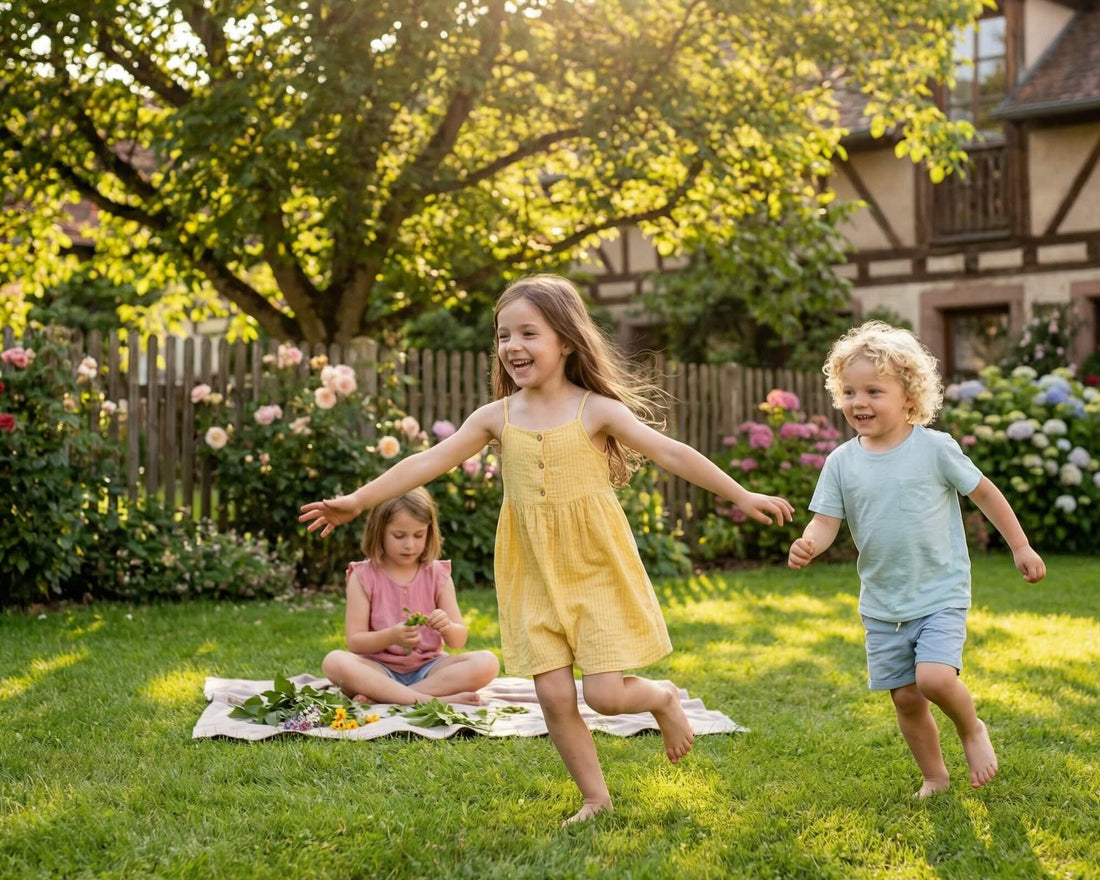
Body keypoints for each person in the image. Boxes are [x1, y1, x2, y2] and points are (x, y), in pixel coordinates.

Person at [301, 274, 793, 824]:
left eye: (528, 333)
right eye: (503, 335)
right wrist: (358, 500)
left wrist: (741, 493)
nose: (512, 346)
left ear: (565, 339)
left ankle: (661, 699)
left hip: (595, 567)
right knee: (555, 697)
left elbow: (671, 452)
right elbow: (426, 462)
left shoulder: (596, 410)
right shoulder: (497, 417)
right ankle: (595, 798)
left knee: (606, 695)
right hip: (531, 571)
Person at [787, 321, 1046, 799]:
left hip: (939, 591)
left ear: (909, 397)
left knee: (932, 679)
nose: (858, 402)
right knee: (906, 698)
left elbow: (985, 494)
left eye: (873, 391)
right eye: (848, 391)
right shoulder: (841, 461)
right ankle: (935, 775)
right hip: (883, 602)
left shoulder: (934, 449)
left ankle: (971, 729)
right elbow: (825, 522)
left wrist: (1020, 546)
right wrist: (809, 543)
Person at [321, 487, 499, 707]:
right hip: (378, 670)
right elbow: (355, 642)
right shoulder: (363, 576)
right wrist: (392, 636)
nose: (410, 545)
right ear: (379, 532)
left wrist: (447, 626)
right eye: (399, 535)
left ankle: (386, 698)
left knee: (488, 662)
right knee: (334, 661)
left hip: (430, 670)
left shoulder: (437, 574)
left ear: (429, 532)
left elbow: (458, 641)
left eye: (419, 535)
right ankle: (428, 700)